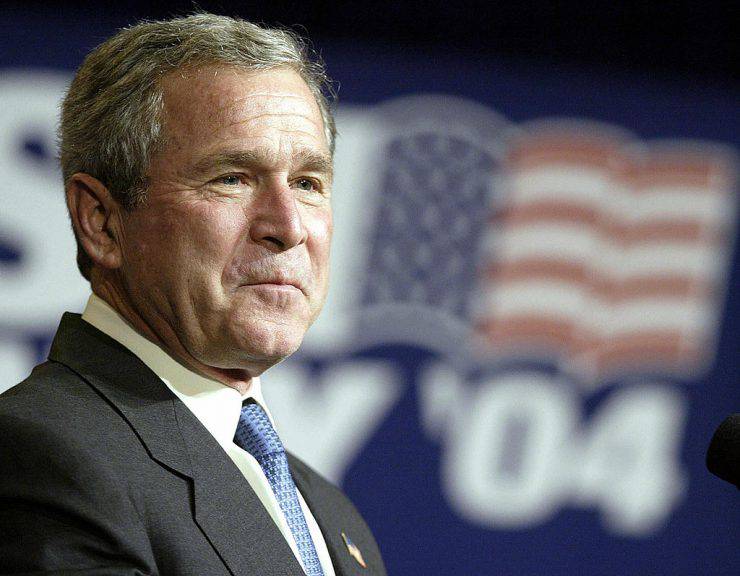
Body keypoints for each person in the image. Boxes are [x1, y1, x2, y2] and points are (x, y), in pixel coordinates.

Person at [0, 13, 386, 576]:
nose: (288, 226)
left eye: (307, 183)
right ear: (102, 221)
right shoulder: (42, 458)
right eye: (232, 177)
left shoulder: (327, 512)